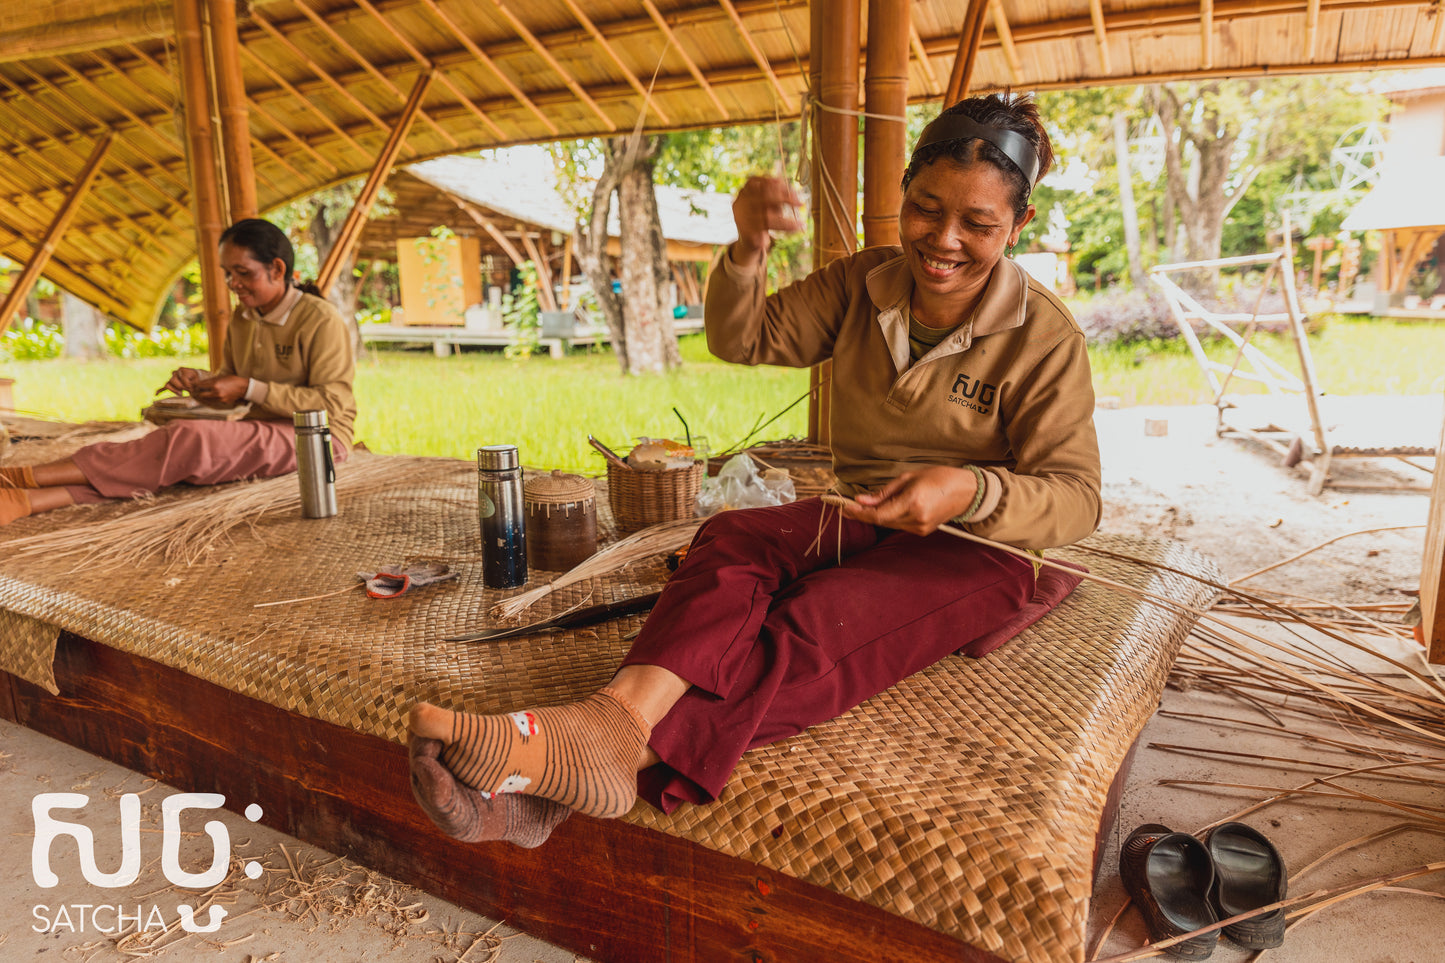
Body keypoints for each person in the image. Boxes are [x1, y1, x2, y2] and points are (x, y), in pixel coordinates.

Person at [404, 92, 1102, 848]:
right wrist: (744, 246)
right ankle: (613, 722)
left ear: (1019, 225)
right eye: (926, 209)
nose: (943, 240)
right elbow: (744, 338)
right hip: (861, 510)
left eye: (978, 224)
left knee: (820, 620)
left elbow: (1076, 500)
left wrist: (966, 487)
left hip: (980, 546)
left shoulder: (1043, 333)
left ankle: (580, 775)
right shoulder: (864, 283)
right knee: (732, 538)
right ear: (901, 192)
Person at [0, 218, 356, 526]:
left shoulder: (319, 320)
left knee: (189, 440)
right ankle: (28, 500)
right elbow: (232, 389)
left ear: (277, 270)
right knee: (169, 466)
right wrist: (202, 385)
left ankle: (20, 478)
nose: (233, 284)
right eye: (228, 274)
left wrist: (248, 387)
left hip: (319, 440)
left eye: (243, 273)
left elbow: (331, 404)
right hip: (260, 429)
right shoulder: (242, 318)